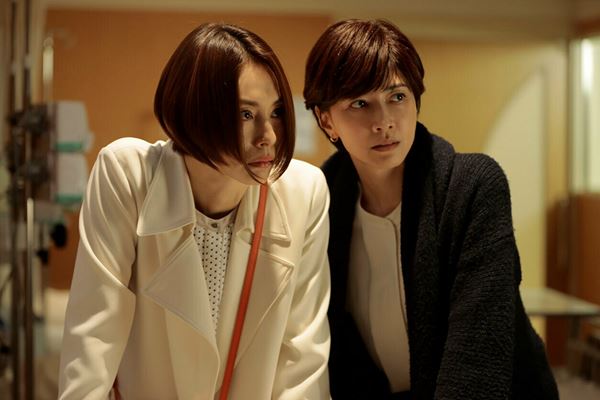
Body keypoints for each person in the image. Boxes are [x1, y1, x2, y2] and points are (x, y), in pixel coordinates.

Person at [58, 23, 331, 400]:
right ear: (193, 113)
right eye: (245, 114)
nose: (268, 136)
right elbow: (92, 340)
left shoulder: (304, 191)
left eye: (278, 112)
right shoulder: (127, 174)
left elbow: (302, 360)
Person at [303, 19, 559, 399]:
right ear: (327, 120)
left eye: (397, 96)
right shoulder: (318, 202)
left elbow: (478, 359)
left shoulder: (471, 187)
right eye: (360, 103)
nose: (384, 121)